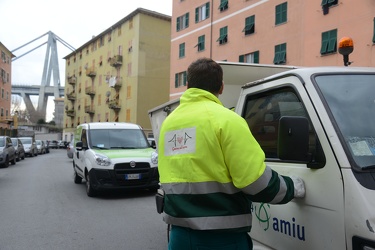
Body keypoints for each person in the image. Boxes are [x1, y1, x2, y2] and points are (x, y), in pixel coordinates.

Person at [158, 58, 305, 250]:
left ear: (188, 85)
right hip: (222, 239)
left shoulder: (169, 123)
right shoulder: (227, 120)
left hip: (179, 237)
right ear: (221, 87)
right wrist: (292, 187)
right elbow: (256, 182)